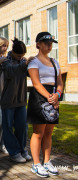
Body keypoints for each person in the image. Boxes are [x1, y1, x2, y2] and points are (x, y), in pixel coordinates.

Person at [28, 32, 63, 178]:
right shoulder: (33, 62)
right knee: (38, 133)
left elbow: (59, 82)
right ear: (38, 44)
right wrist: (50, 97)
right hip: (39, 98)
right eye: (45, 42)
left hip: (53, 97)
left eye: (51, 43)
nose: (49, 45)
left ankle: (47, 161)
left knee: (49, 132)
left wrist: (57, 95)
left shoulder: (55, 62)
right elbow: (36, 83)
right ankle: (36, 164)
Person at [0, 38, 32, 162]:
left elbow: (29, 73)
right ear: (12, 52)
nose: (20, 58)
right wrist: (23, 64)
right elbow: (10, 72)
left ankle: (22, 150)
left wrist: (29, 65)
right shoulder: (5, 61)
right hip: (8, 100)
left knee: (22, 127)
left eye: (22, 56)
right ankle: (14, 152)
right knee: (8, 127)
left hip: (21, 99)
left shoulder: (23, 61)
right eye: (18, 55)